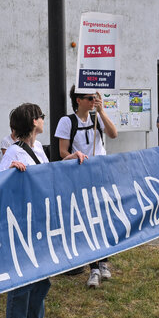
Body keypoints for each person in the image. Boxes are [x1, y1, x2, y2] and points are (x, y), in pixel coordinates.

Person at [0, 103, 86, 318]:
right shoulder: (15, 151)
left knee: (43, 277)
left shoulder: (37, 148)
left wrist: (72, 158)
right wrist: (9, 171)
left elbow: (49, 173)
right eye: (41, 116)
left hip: (41, 221)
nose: (44, 119)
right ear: (34, 121)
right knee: (23, 279)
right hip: (23, 224)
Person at [54, 86, 117, 288]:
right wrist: (74, 156)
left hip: (101, 173)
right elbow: (63, 151)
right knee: (90, 219)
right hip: (81, 176)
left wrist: (102, 112)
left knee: (104, 217)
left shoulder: (96, 119)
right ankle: (94, 267)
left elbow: (113, 134)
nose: (93, 101)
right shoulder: (67, 121)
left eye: (95, 98)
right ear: (78, 100)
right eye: (90, 98)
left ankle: (104, 260)